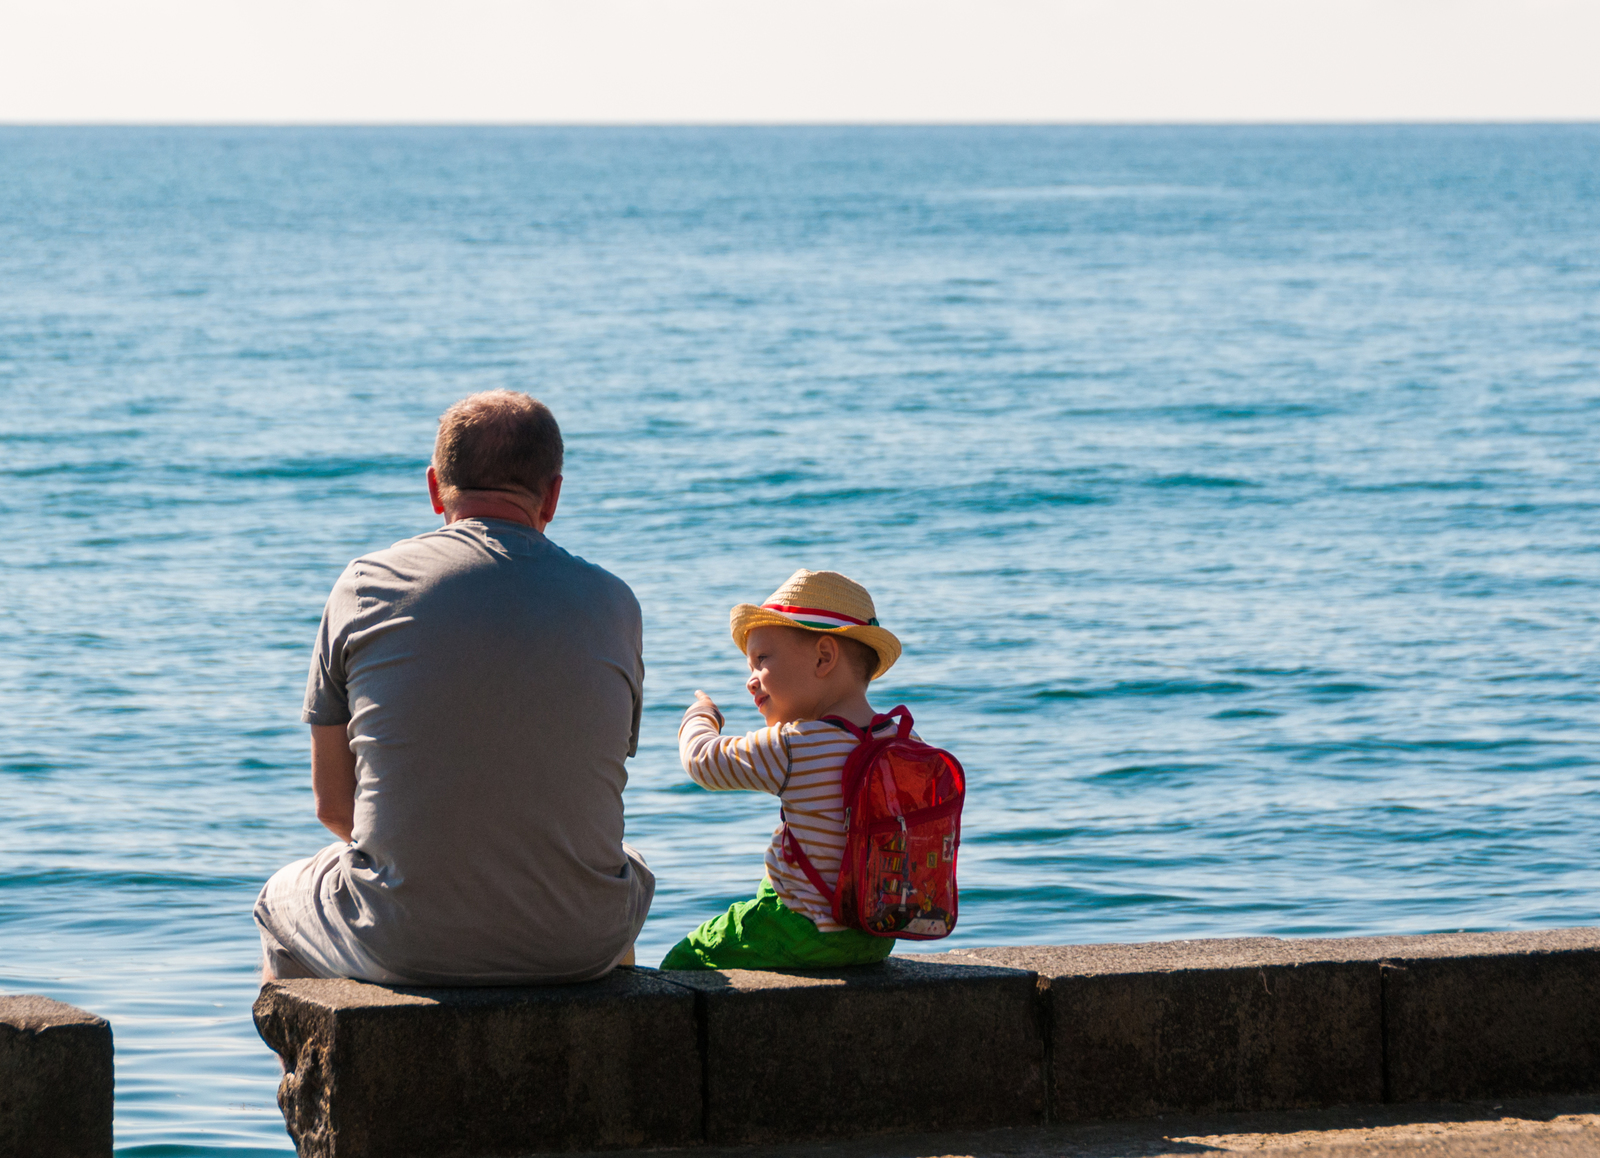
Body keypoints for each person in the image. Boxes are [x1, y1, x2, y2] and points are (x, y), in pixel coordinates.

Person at [254, 390, 652, 986]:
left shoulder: (365, 585)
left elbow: (335, 806)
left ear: (436, 487)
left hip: (405, 941)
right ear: (554, 494)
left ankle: (314, 1076)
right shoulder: (615, 603)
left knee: (278, 899)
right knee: (629, 869)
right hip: (579, 939)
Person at [659, 568, 910, 970]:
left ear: (824, 657)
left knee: (686, 962)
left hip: (804, 929)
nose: (751, 680)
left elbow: (702, 761)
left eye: (761, 660)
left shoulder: (796, 744)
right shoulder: (898, 740)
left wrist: (700, 715)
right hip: (877, 933)